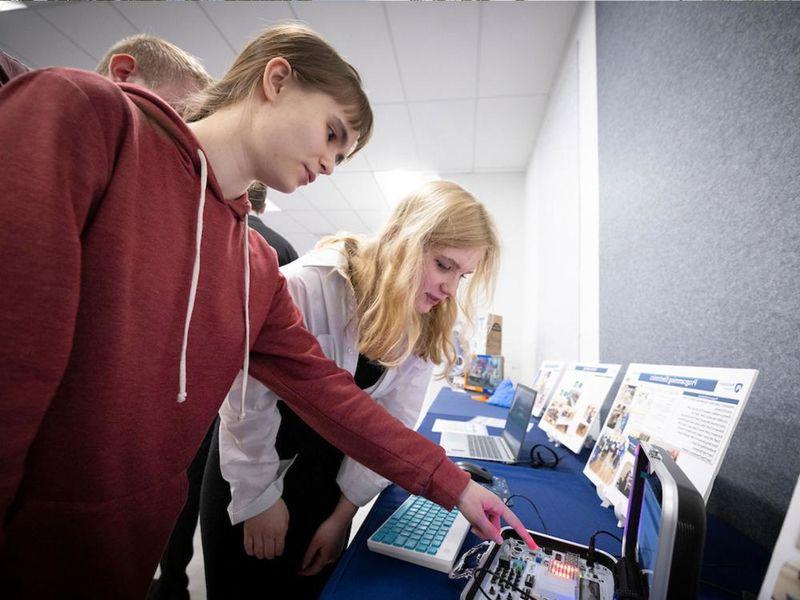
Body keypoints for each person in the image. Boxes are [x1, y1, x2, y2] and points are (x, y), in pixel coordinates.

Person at [0, 23, 533, 599]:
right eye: (332, 134)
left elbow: (332, 396)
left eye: (342, 153)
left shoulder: (252, 263)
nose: (331, 164)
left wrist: (452, 485)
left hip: (120, 545)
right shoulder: (87, 114)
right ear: (276, 80)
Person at [200, 181, 501, 598]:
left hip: (326, 476)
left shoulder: (427, 315)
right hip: (252, 461)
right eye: (444, 266)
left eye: (462, 275)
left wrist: (342, 514)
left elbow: (391, 422)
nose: (451, 289)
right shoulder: (309, 283)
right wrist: (258, 499)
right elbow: (246, 400)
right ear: (404, 240)